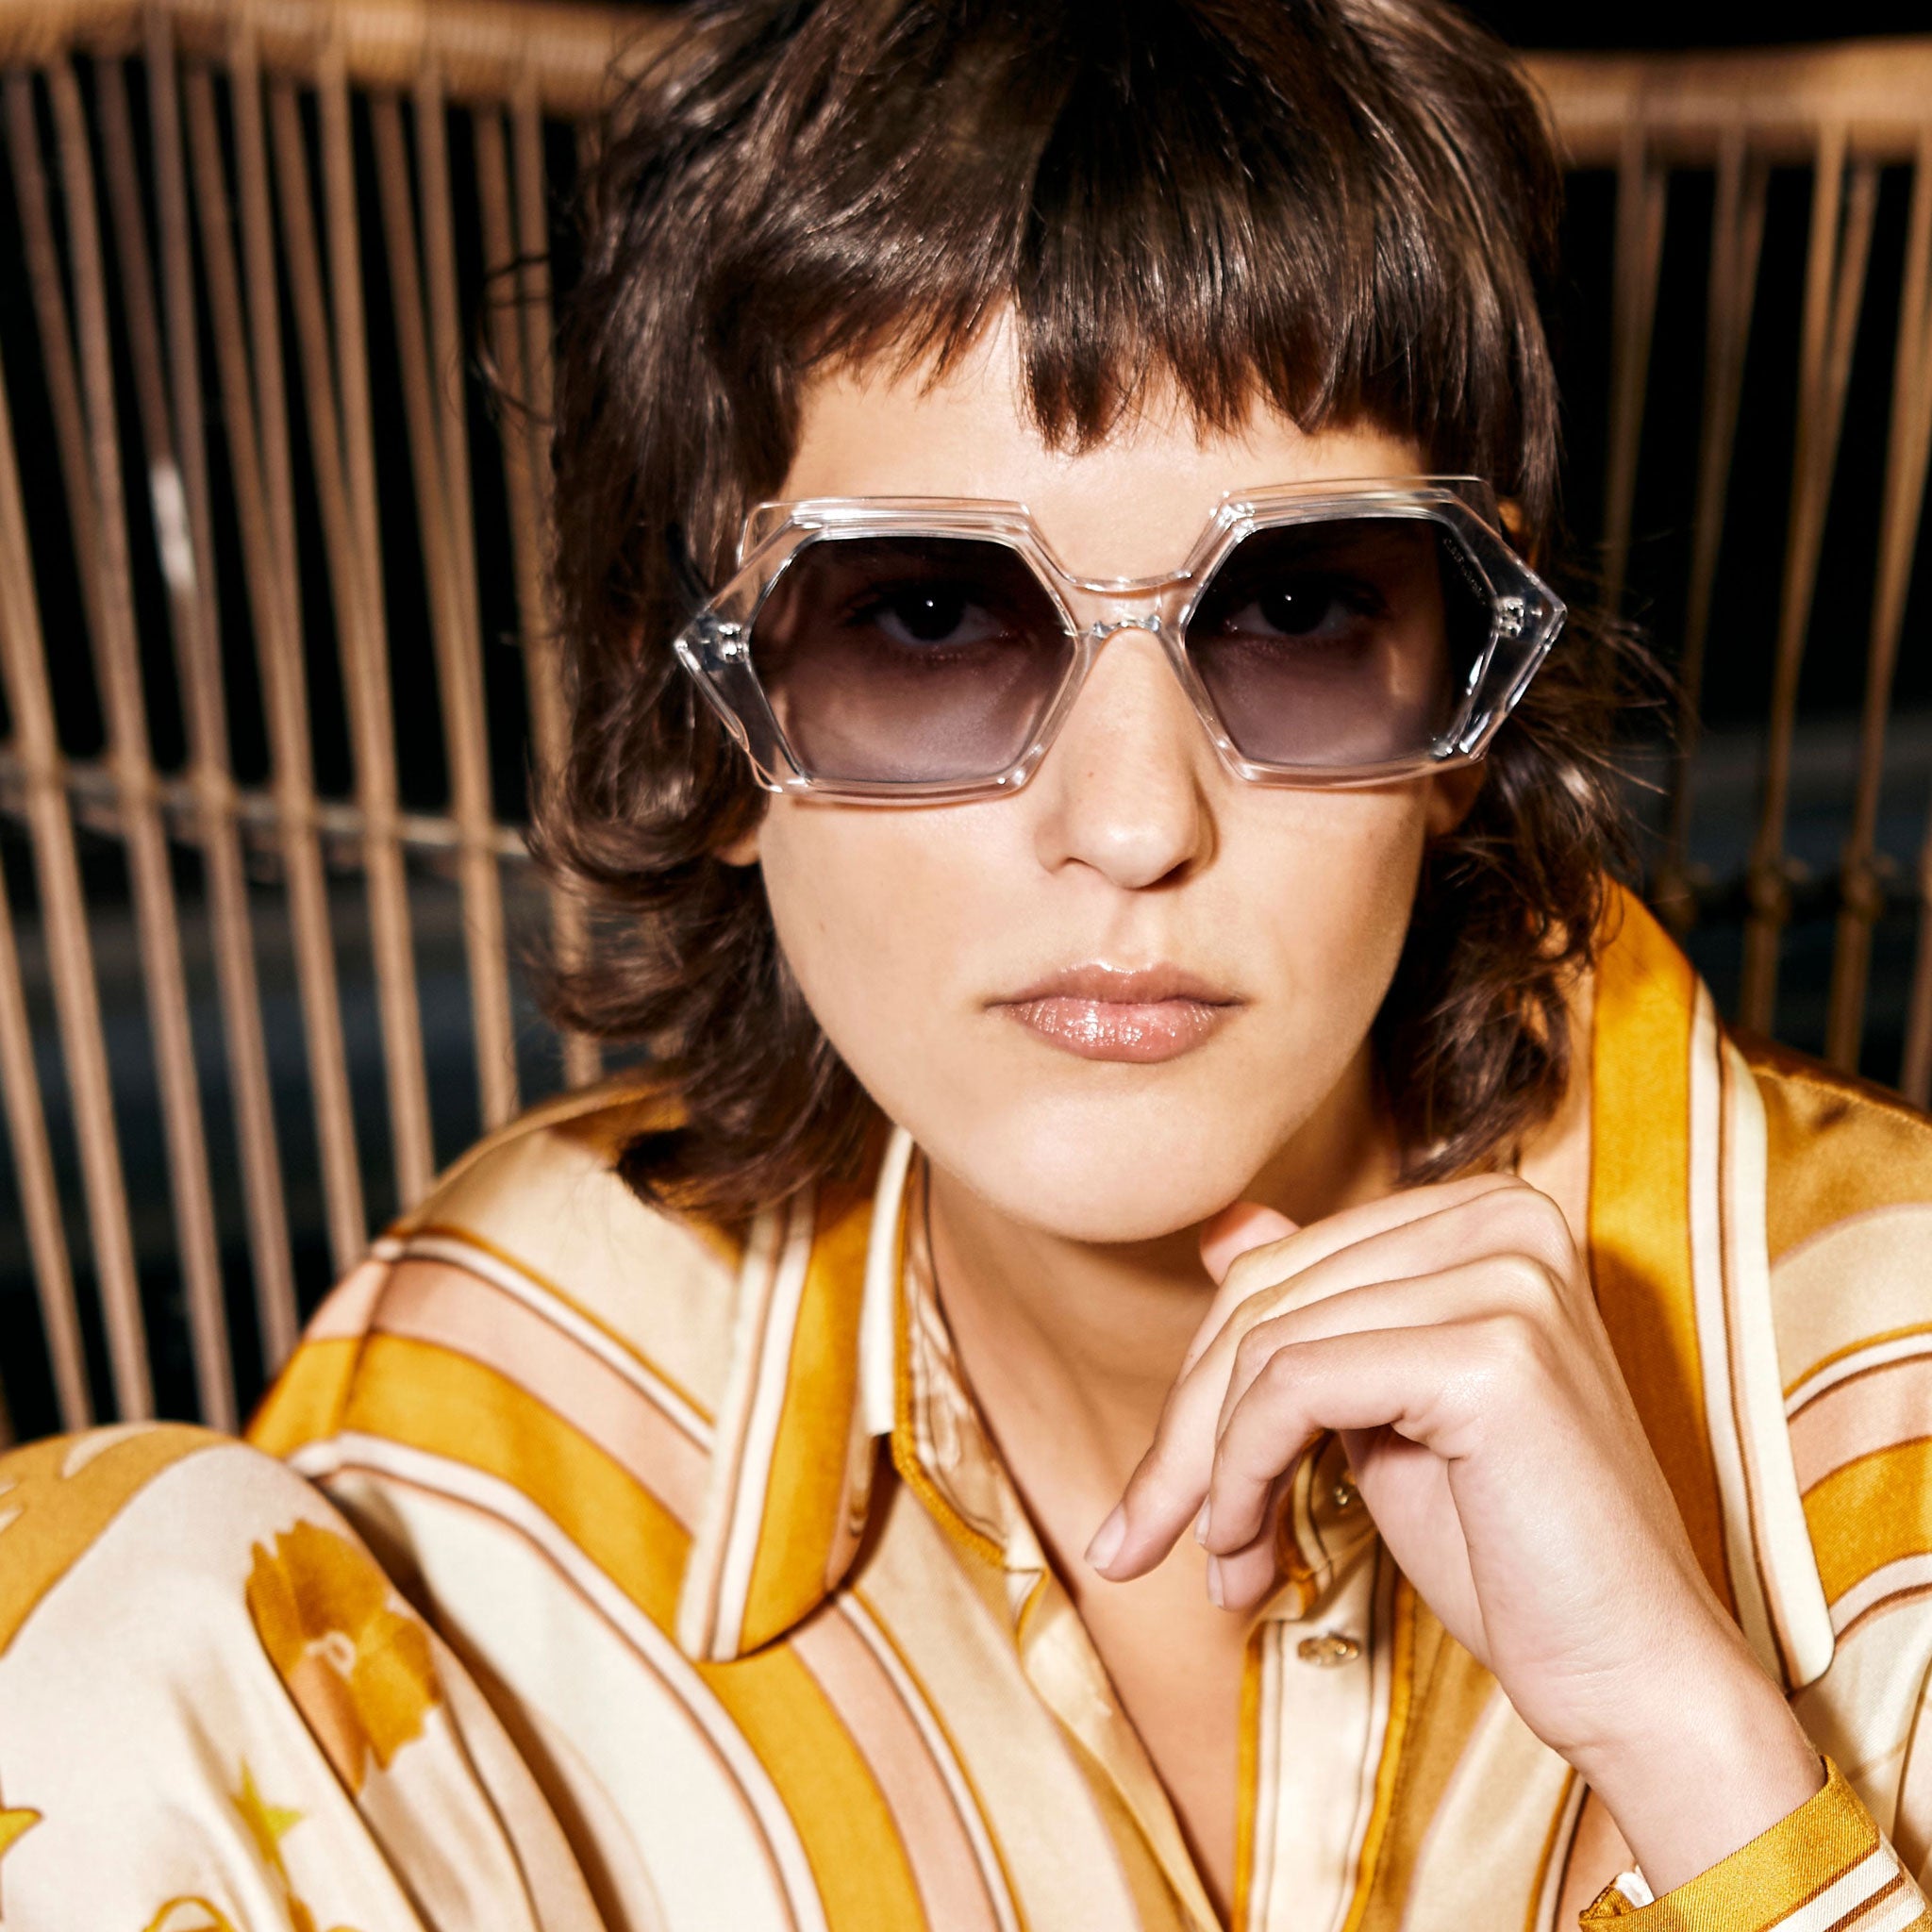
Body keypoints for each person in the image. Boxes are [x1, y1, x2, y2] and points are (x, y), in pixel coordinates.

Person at [4, 1, 1932, 1926]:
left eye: (1290, 610)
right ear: (709, 730)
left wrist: (1696, 1751)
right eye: (928, 618)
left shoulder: (1886, 1394)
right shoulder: (512, 1412)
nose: (1133, 822)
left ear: (1461, 707)